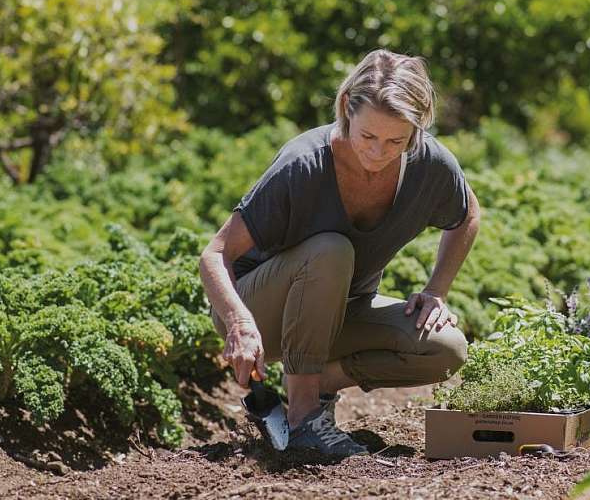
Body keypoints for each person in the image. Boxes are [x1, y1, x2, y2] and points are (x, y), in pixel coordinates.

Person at [199, 49, 481, 457]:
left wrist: (437, 289)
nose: (378, 153)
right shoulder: (303, 165)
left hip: (338, 314)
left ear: (416, 131)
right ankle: (303, 419)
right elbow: (214, 255)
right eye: (367, 136)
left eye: (396, 141)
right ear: (348, 107)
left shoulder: (429, 164)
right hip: (262, 316)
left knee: (445, 349)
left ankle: (323, 381)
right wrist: (240, 323)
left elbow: (467, 214)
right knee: (331, 250)